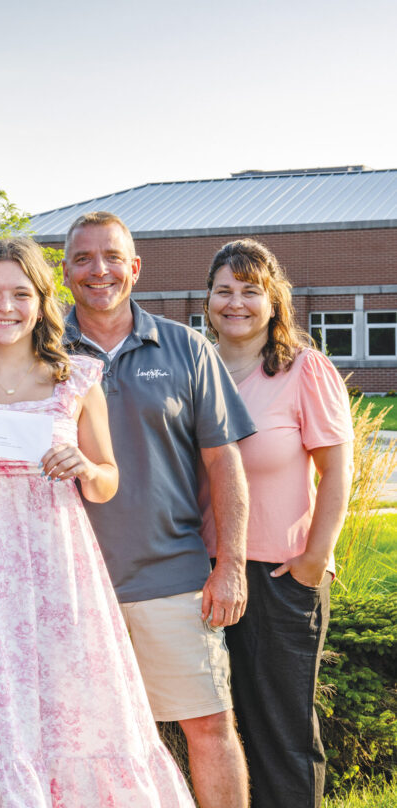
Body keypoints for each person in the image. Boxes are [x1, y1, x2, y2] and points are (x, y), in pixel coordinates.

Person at [0, 237, 195, 806]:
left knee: (77, 713)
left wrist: (86, 466)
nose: (6, 307)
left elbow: (109, 479)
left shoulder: (77, 380)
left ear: (43, 303)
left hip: (63, 577)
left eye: (21, 294)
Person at [61, 212, 256, 808]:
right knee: (82, 743)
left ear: (135, 267)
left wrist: (231, 566)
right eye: (84, 258)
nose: (100, 271)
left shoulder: (186, 348)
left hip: (170, 577)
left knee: (209, 727)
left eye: (113, 257)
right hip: (68, 585)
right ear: (65, 272)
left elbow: (225, 466)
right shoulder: (38, 350)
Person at [201, 239, 353, 808]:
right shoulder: (195, 369)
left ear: (273, 301)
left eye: (250, 291)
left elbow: (338, 470)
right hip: (198, 573)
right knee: (211, 730)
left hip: (279, 576)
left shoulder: (302, 370)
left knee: (279, 735)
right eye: (224, 291)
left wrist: (315, 560)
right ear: (208, 299)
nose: (235, 303)